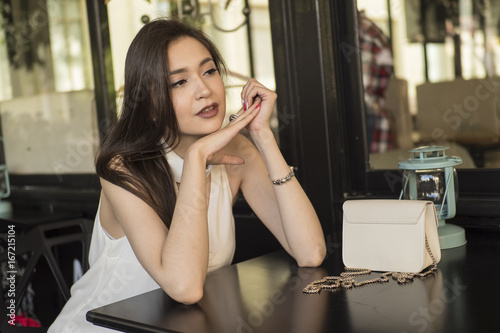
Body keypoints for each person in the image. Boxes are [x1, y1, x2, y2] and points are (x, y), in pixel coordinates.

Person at [48, 18, 326, 332]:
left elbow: (310, 252)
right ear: (150, 102)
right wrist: (197, 159)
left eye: (208, 71)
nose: (204, 90)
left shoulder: (239, 152)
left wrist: (262, 136)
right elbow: (185, 286)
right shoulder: (123, 168)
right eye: (179, 82)